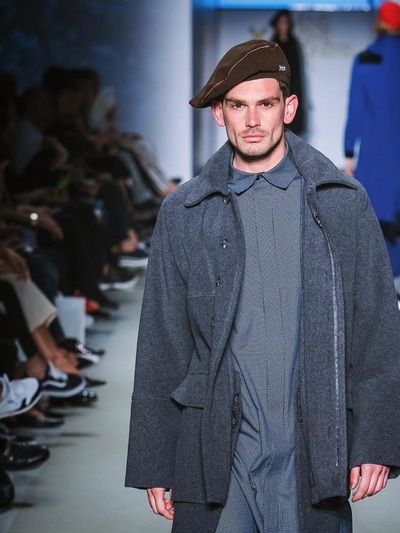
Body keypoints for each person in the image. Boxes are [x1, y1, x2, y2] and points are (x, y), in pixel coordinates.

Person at [125, 39, 400, 533]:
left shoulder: (343, 203)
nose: (252, 120)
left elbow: (377, 331)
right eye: (238, 105)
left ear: (288, 108)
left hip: (312, 447)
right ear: (219, 113)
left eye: (265, 103)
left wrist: (376, 440)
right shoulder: (185, 212)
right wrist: (155, 460)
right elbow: (162, 343)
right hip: (215, 448)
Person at [344, 1, 400, 277]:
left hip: (375, 154)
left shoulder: (365, 60)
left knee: (376, 222)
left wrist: (349, 153)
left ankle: (384, 288)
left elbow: (356, 111)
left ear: (378, 23)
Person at [270, 9, 307, 136]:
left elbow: (298, 74)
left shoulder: (294, 44)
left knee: (292, 132)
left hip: (292, 89)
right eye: (281, 22)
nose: (283, 25)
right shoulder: (272, 45)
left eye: (286, 22)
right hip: (275, 90)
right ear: (276, 24)